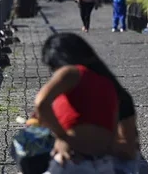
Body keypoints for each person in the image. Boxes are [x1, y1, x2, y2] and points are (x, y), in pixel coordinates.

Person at [36, 33, 119, 173]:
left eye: (52, 67)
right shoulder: (106, 82)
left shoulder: (71, 72)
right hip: (103, 163)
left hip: (73, 161)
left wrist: (62, 137)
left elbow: (41, 103)